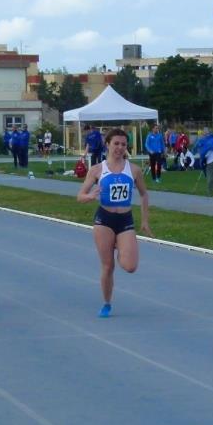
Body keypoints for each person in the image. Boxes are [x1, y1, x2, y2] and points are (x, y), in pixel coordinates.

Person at [76, 128, 152, 318]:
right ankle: (106, 303)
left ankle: (121, 247)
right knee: (108, 266)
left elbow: (144, 194)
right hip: (104, 220)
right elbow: (80, 196)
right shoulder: (97, 170)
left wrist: (144, 220)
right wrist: (90, 196)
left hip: (125, 219)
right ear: (107, 144)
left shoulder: (134, 170)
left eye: (123, 144)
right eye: (116, 143)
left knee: (130, 266)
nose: (119, 147)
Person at [194, 128, 213, 195]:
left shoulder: (208, 141)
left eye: (204, 133)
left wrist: (202, 157)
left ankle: (209, 192)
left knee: (210, 176)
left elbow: (207, 152)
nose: (204, 135)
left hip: (211, 160)